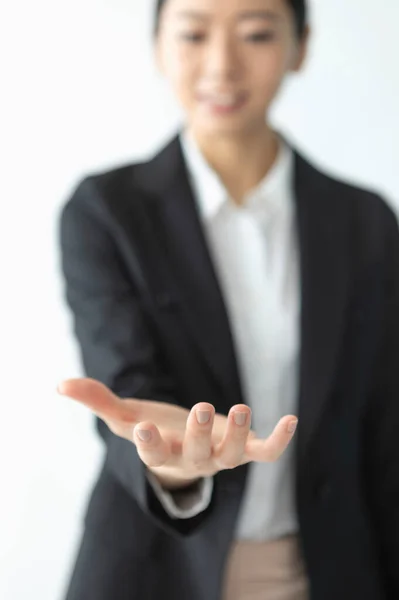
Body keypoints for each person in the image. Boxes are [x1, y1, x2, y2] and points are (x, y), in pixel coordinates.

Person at [57, 0, 399, 598]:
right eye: (192, 34)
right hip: (157, 571)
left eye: (257, 33)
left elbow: (385, 428)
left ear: (301, 47)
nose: (222, 66)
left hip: (331, 569)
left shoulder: (364, 222)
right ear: (158, 46)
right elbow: (129, 386)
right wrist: (168, 461)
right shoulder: (107, 212)